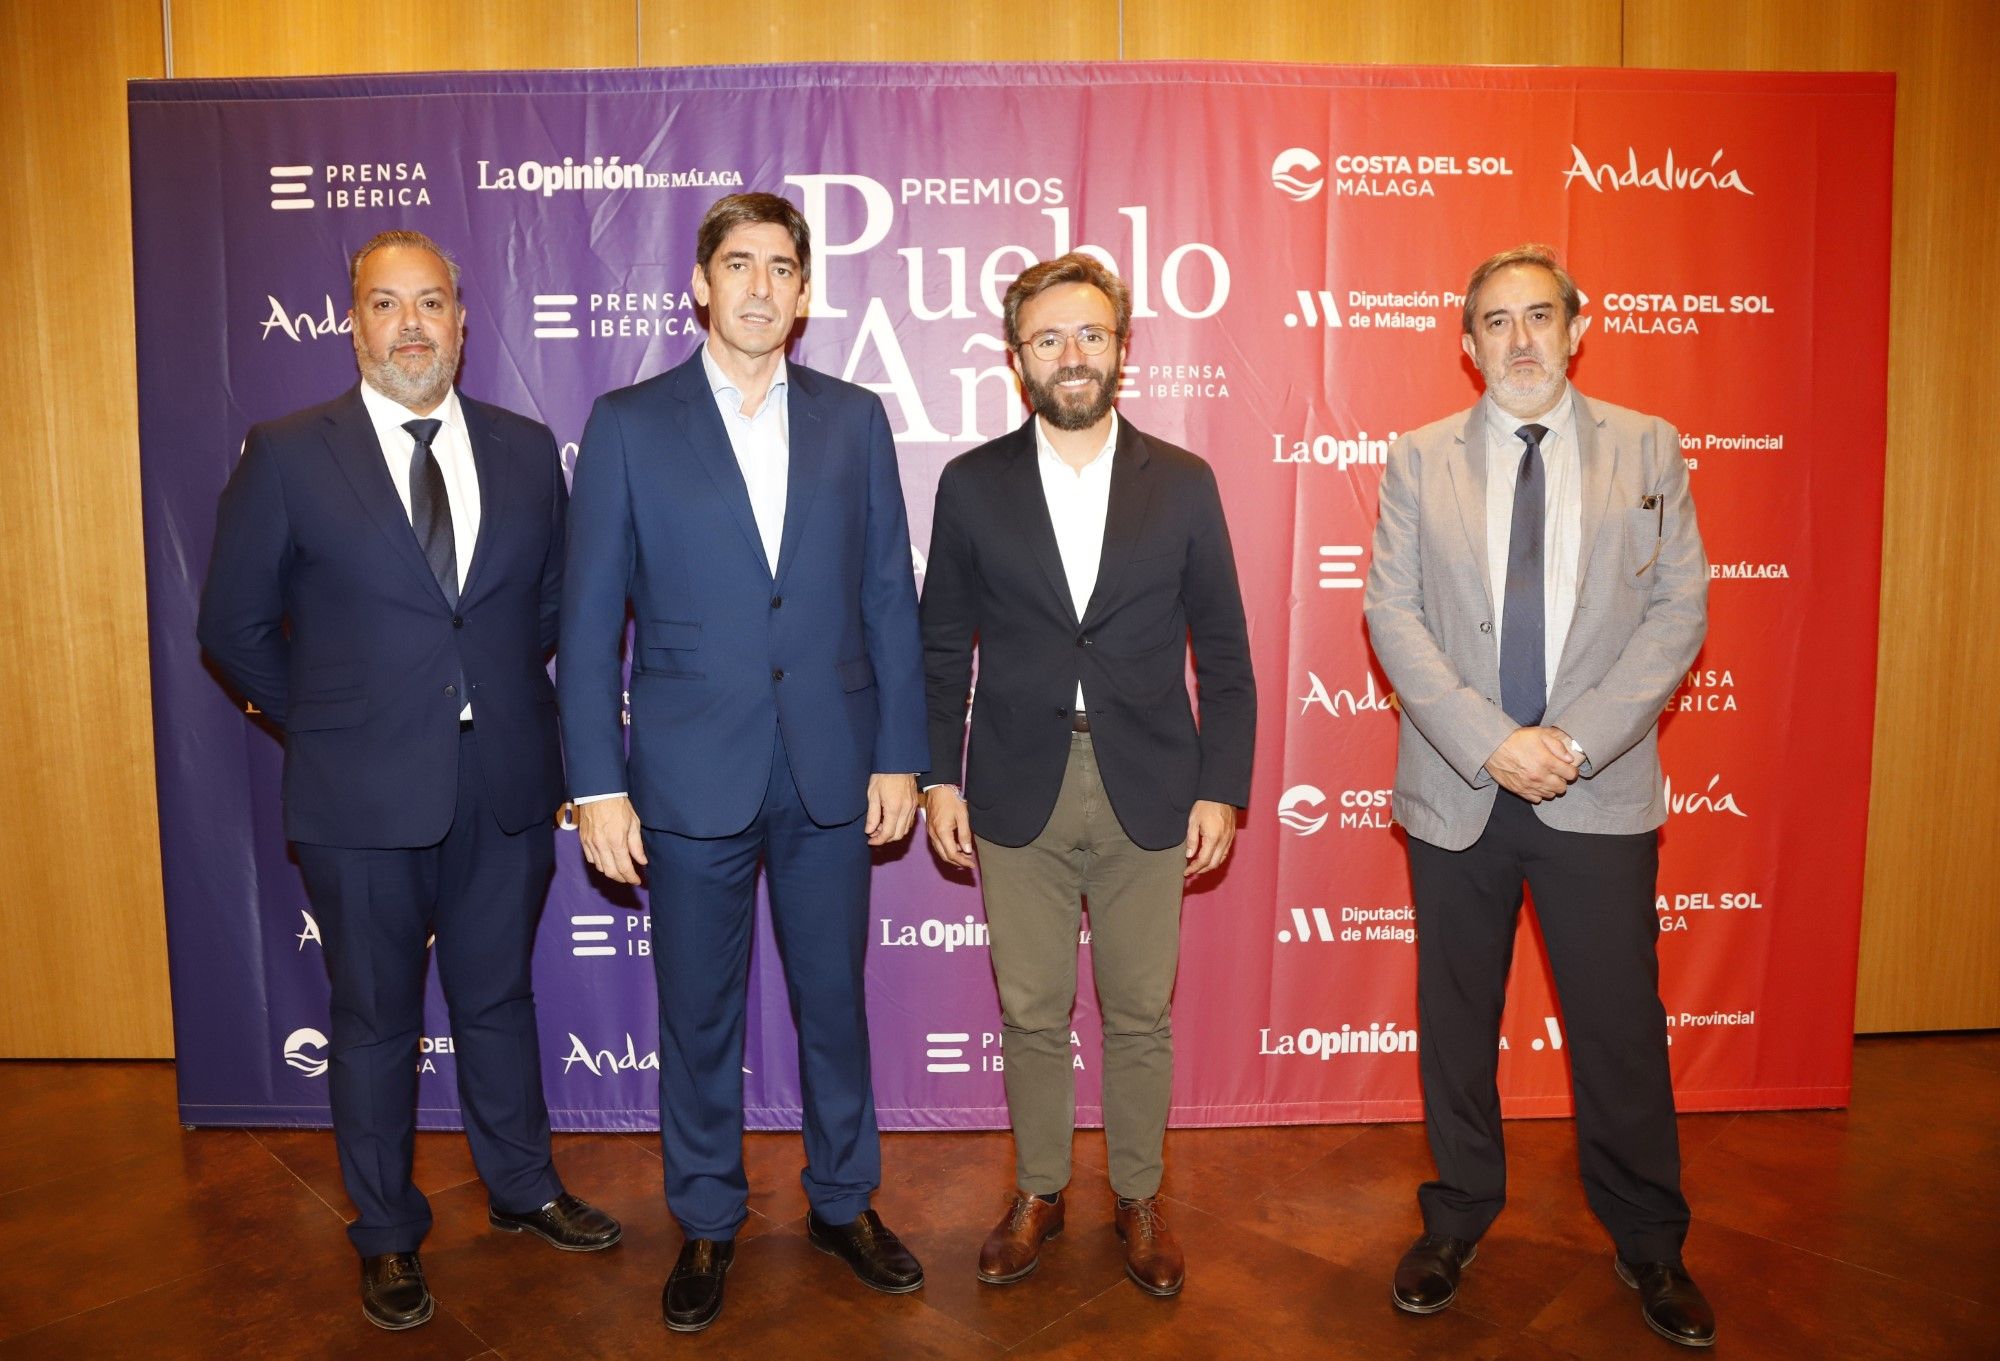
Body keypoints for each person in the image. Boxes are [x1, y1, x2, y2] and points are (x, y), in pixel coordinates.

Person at [198, 230, 620, 1332]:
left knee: (497, 1001)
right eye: (386, 305)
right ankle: (385, 1233)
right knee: (375, 1017)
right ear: (354, 323)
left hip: (504, 784)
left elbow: (550, 610)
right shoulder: (290, 452)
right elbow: (232, 627)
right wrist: (332, 723)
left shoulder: (528, 449)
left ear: (463, 321)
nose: (412, 325)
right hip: (358, 798)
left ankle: (522, 1189)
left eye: (431, 302)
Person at [558, 192, 929, 1333]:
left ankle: (842, 1201)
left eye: (781, 266)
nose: (760, 286)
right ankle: (708, 1216)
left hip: (829, 763)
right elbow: (584, 624)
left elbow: (884, 597)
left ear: (806, 293)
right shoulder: (626, 422)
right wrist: (597, 780)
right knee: (700, 1012)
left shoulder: (855, 419)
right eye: (738, 264)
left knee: (834, 1005)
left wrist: (900, 755)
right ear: (699, 286)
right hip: (683, 773)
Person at [1362, 243, 1715, 1347]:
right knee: (1454, 1021)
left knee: (1617, 1027)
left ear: (1578, 325)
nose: (1517, 340)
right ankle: (1458, 1214)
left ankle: (1648, 1240)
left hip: (1593, 786)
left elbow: (1678, 611)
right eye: (1493, 322)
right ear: (1464, 345)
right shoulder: (1417, 458)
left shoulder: (1647, 447)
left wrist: (1570, 739)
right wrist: (1490, 740)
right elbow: (1392, 617)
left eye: (1536, 317)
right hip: (1460, 786)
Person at [920, 253, 1256, 1298]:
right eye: (1049, 338)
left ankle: (1140, 1194)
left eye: (1091, 334)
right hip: (1014, 781)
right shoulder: (970, 483)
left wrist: (1222, 785)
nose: (1072, 355)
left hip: (1150, 781)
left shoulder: (1185, 481)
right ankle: (1039, 1188)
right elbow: (939, 648)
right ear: (1016, 357)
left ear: (1121, 347)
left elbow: (1227, 650)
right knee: (1030, 1009)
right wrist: (937, 778)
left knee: (1139, 1011)